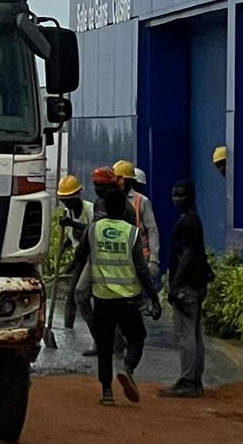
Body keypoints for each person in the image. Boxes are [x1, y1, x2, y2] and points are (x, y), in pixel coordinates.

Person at [85, 168, 160, 405]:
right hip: (128, 300)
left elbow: (80, 257)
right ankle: (127, 368)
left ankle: (107, 393)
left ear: (104, 207)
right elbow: (141, 269)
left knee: (105, 348)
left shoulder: (93, 230)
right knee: (137, 337)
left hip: (102, 299)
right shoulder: (131, 233)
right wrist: (154, 298)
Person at [160, 177, 212, 398]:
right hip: (196, 284)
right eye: (174, 195)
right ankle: (195, 380)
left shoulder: (186, 223)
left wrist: (175, 285)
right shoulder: (194, 220)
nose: (176, 199)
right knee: (195, 334)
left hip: (188, 286)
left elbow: (188, 254)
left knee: (185, 334)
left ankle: (188, 381)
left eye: (181, 195)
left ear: (190, 197)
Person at [43, 174, 87, 352]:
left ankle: (99, 338)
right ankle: (69, 331)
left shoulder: (89, 210)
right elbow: (71, 237)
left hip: (93, 260)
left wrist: (73, 224)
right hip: (80, 259)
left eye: (70, 200)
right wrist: (63, 248)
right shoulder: (68, 213)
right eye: (64, 201)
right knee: (71, 296)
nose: (67, 204)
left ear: (79, 195)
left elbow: (94, 230)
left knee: (80, 295)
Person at [114, 158, 161, 273]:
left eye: (122, 179)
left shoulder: (141, 201)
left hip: (139, 258)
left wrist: (154, 259)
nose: (119, 182)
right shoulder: (111, 199)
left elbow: (152, 230)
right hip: (118, 257)